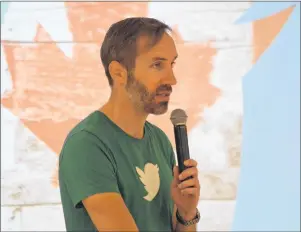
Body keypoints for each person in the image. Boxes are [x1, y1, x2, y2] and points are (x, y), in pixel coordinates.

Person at [59, 17, 201, 231]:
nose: (172, 79)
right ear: (118, 72)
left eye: (171, 64)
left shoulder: (160, 141)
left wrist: (186, 213)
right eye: (157, 64)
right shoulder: (87, 145)